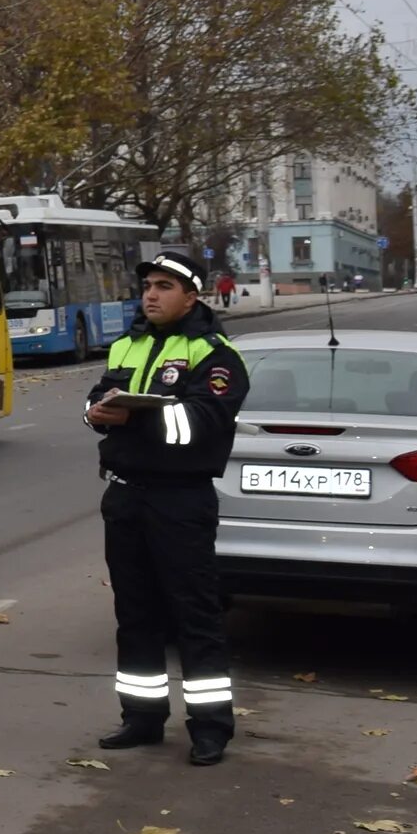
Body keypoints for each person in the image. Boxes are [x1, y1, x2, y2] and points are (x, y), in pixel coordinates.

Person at [84, 252, 251, 765]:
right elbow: (96, 400)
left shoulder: (215, 354)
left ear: (191, 296)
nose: (151, 295)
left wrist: (132, 416)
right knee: (134, 614)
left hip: (180, 499)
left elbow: (200, 423)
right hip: (126, 494)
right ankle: (141, 716)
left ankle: (210, 728)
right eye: (148, 286)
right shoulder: (128, 344)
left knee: (194, 614)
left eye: (164, 286)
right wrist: (95, 413)